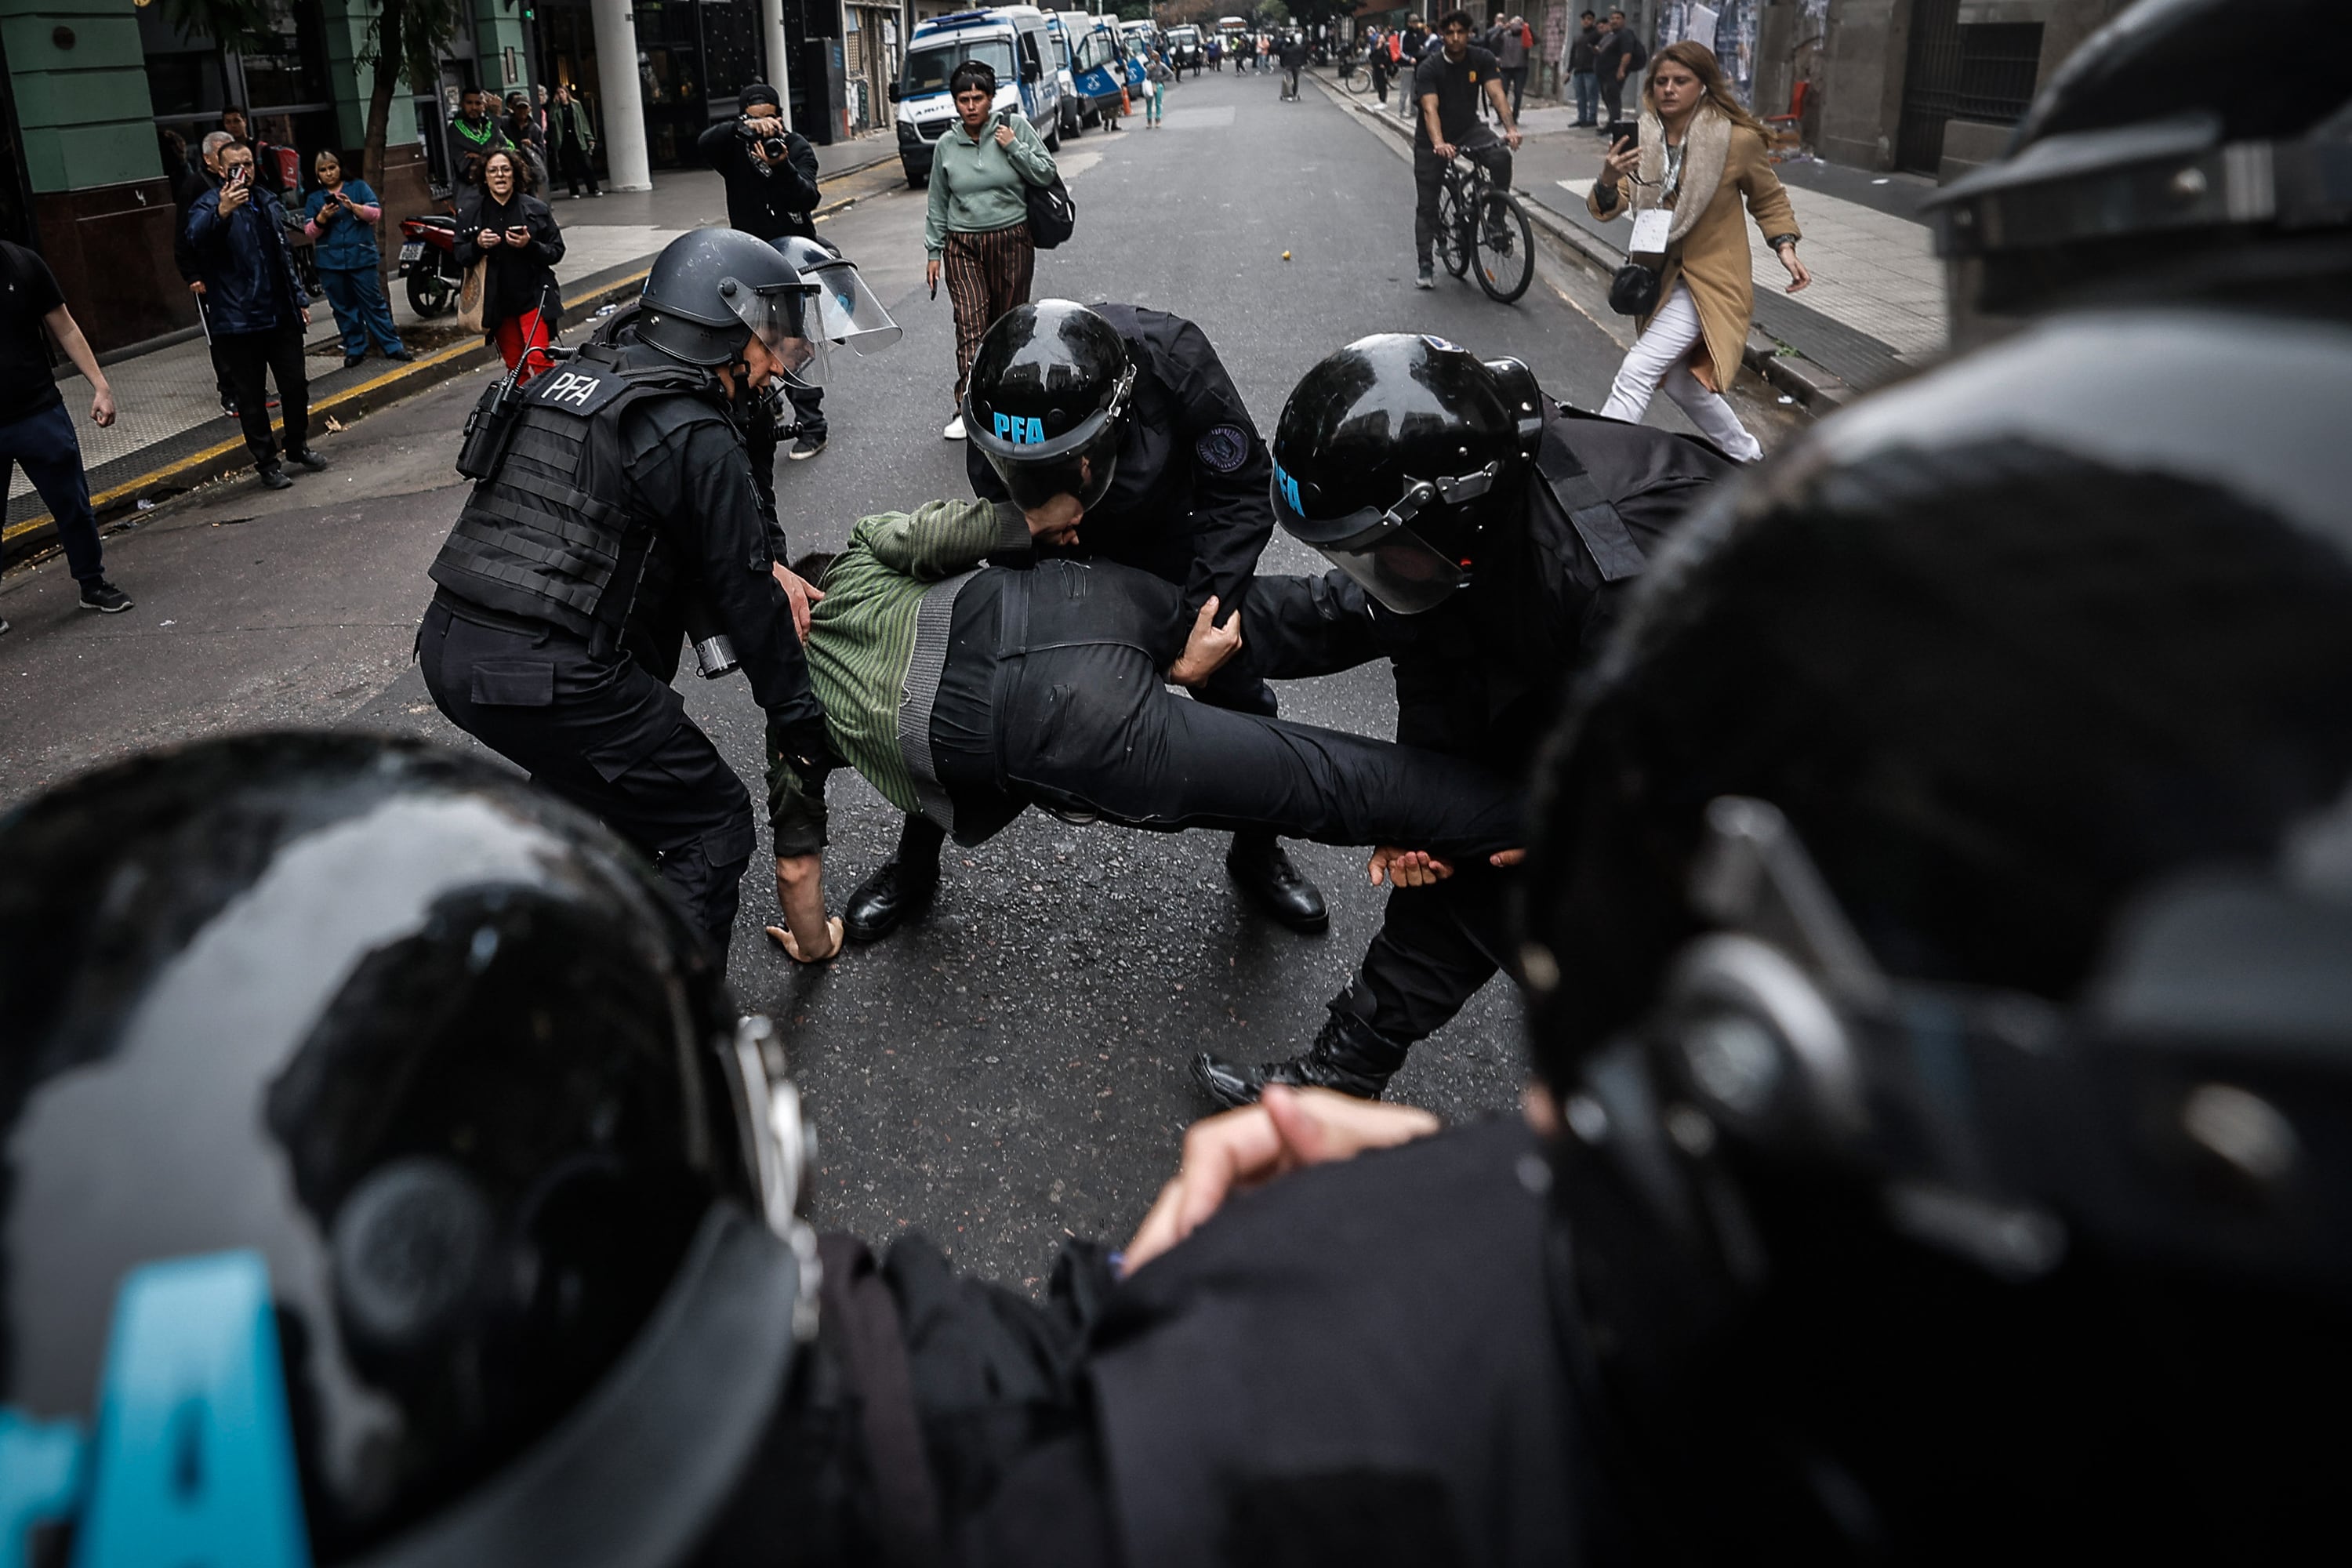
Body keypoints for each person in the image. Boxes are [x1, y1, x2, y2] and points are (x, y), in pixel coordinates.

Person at [17, 9, 2350, 1559]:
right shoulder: (1199, 533)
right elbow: (1276, 609)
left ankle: (1298, 971)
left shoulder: (1547, 564)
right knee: (1300, 810)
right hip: (1074, 718)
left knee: (1361, 828)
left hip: (921, 691)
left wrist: (1293, 730)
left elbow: (1218, 574)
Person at [1194, 332, 1735, 1105]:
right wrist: (1426, 809)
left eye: (1375, 548)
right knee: (1470, 845)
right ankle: (1345, 1073)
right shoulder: (1468, 510)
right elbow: (1404, 641)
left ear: (1452, 513)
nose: (1366, 573)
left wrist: (1574, 824)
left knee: (1541, 885)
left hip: (1730, 739)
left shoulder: (1619, 580)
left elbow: (1719, 755)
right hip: (1584, 670)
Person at [760, 506, 1517, 964]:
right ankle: (1470, 582)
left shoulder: (796, 719)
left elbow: (797, 874)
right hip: (1084, 599)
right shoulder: (862, 552)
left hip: (1066, 724)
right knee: (1282, 612)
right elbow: (948, 528)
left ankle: (1534, 817)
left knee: (1312, 778)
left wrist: (815, 942)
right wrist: (1044, 517)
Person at [844, 300, 1334, 945]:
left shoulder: (1175, 359)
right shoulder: (997, 403)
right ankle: (915, 862)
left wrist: (1199, 622)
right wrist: (1032, 546)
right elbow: (995, 508)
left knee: (1242, 697)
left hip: (1167, 552)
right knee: (963, 690)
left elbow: (1242, 489)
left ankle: (1258, 849)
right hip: (1048, 549)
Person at [416, 227, 833, 967]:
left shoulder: (586, 374)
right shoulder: (691, 429)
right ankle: (673, 1042)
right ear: (719, 326)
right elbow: (745, 594)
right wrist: (801, 726)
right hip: (551, 671)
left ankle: (560, 972)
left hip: (451, 646)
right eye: (769, 339)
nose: (777, 363)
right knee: (711, 824)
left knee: (591, 800)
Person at [1588, 42, 1806, 463]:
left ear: (1704, 85)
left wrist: (1785, 246)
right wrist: (1606, 177)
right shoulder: (1643, 136)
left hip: (1712, 280)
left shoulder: (1735, 140)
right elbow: (1609, 206)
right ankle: (1748, 456)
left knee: (1639, 368)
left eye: (1681, 81)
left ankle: (1598, 459)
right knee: (1681, 384)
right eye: (1661, 81)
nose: (1669, 89)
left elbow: (1769, 198)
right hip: (1663, 278)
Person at [922, 60, 1056, 442]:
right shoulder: (946, 145)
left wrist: (1013, 149)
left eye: (977, 98)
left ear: (991, 98)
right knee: (969, 325)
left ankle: (1009, 403)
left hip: (1011, 239)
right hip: (962, 244)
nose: (970, 106)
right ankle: (970, 407)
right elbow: (937, 200)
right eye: (962, 99)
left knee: (1008, 326)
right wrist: (934, 251)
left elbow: (1046, 173)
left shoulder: (1013, 128)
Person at [183, 135, 321, 492]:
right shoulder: (207, 204)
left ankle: (297, 446)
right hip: (239, 319)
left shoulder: (266, 201)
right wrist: (222, 211)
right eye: (235, 166)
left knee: (295, 386)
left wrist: (299, 300)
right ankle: (266, 462)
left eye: (248, 164)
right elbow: (195, 236)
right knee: (251, 396)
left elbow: (284, 254)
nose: (243, 171)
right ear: (218, 167)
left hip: (281, 314)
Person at [0, 237, 131, 613]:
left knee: (72, 503)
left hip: (37, 410)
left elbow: (66, 328)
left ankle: (92, 583)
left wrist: (100, 386)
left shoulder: (22, 264)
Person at [699, 83, 829, 460]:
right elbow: (705, 142)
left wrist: (781, 165)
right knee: (747, 341)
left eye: (770, 118)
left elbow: (808, 197)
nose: (764, 126)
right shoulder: (733, 149)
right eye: (755, 119)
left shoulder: (797, 146)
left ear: (781, 116)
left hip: (790, 258)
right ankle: (761, 409)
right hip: (747, 258)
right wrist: (743, 129)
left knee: (789, 342)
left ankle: (812, 425)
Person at [1412, 9, 1524, 291]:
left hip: (1468, 128)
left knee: (1500, 156)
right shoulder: (1429, 67)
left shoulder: (1482, 59)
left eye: (1461, 32)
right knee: (1428, 204)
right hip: (1432, 138)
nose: (1455, 37)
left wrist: (1510, 128)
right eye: (1449, 33)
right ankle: (1426, 263)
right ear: (1442, 35)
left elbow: (1497, 94)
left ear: (1470, 34)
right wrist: (1438, 143)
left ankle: (1495, 218)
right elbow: (1430, 108)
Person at [456, 147, 564, 383]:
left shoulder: (535, 208)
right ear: (485, 177)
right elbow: (460, 255)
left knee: (540, 360)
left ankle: (551, 412)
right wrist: (477, 245)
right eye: (493, 170)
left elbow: (556, 251)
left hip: (533, 299)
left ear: (515, 174)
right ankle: (525, 416)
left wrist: (529, 245)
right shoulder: (472, 213)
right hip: (497, 306)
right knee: (516, 369)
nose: (500, 175)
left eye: (505, 169)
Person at [303, 150, 412, 370]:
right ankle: (355, 349)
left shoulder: (358, 187)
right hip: (331, 263)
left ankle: (392, 346)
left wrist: (354, 207)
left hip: (361, 257)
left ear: (340, 167)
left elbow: (375, 214)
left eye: (332, 167)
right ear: (317, 175)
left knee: (374, 304)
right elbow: (310, 232)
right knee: (343, 308)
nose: (329, 173)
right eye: (323, 170)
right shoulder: (315, 199)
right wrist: (322, 217)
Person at [446, 85, 513, 190]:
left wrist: (482, 157)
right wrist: (496, 116)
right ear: (461, 104)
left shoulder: (487, 124)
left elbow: (510, 147)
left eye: (478, 103)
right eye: (469, 103)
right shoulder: (457, 127)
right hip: (470, 192)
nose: (473, 107)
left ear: (484, 105)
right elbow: (483, 146)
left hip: (491, 188)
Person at [1595, 5, 1646, 129]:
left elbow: (1627, 53)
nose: (1614, 21)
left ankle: (1614, 125)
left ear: (1624, 21)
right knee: (1607, 97)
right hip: (1606, 73)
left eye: (1618, 18)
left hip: (1615, 72)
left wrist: (1621, 70)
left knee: (1613, 97)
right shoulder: (1612, 35)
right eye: (1612, 18)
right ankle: (1611, 122)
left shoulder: (1625, 34)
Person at [550, 82, 601, 198]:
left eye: (562, 92)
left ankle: (594, 188)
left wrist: (589, 137)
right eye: (558, 93)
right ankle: (574, 191)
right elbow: (551, 120)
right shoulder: (556, 108)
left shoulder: (576, 105)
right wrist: (555, 105)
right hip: (564, 140)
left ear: (567, 93)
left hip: (577, 138)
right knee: (568, 167)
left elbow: (583, 122)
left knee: (586, 164)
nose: (561, 95)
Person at [505, 89, 550, 190]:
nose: (522, 111)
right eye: (519, 108)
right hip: (511, 169)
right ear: (513, 109)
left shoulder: (535, 128)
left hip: (529, 171)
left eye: (524, 108)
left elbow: (542, 153)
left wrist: (531, 146)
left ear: (529, 109)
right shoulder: (505, 124)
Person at [1491, 13, 1532, 118]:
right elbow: (1493, 40)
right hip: (1505, 67)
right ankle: (1501, 117)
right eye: (1514, 23)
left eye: (1518, 23)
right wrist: (1503, 29)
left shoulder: (1525, 36)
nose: (1516, 26)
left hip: (1521, 67)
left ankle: (1515, 116)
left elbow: (1535, 40)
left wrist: (1527, 28)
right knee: (1503, 93)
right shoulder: (1505, 35)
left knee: (1518, 93)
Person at [1566, 9, 1601, 126]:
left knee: (1592, 96)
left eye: (1589, 19)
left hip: (1592, 70)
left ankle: (1592, 119)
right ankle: (1582, 118)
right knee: (1580, 97)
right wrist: (1569, 71)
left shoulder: (1597, 35)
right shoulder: (1578, 36)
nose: (1586, 22)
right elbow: (1573, 54)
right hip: (1578, 71)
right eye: (1584, 19)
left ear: (1593, 21)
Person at [1279, 31, 1308, 100]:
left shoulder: (1285, 48)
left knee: (1289, 79)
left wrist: (1282, 64)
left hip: (1288, 65)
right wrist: (1302, 63)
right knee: (1296, 79)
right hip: (1297, 65)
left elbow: (1281, 56)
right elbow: (1304, 54)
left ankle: (1290, 93)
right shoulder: (1299, 47)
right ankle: (1295, 93)